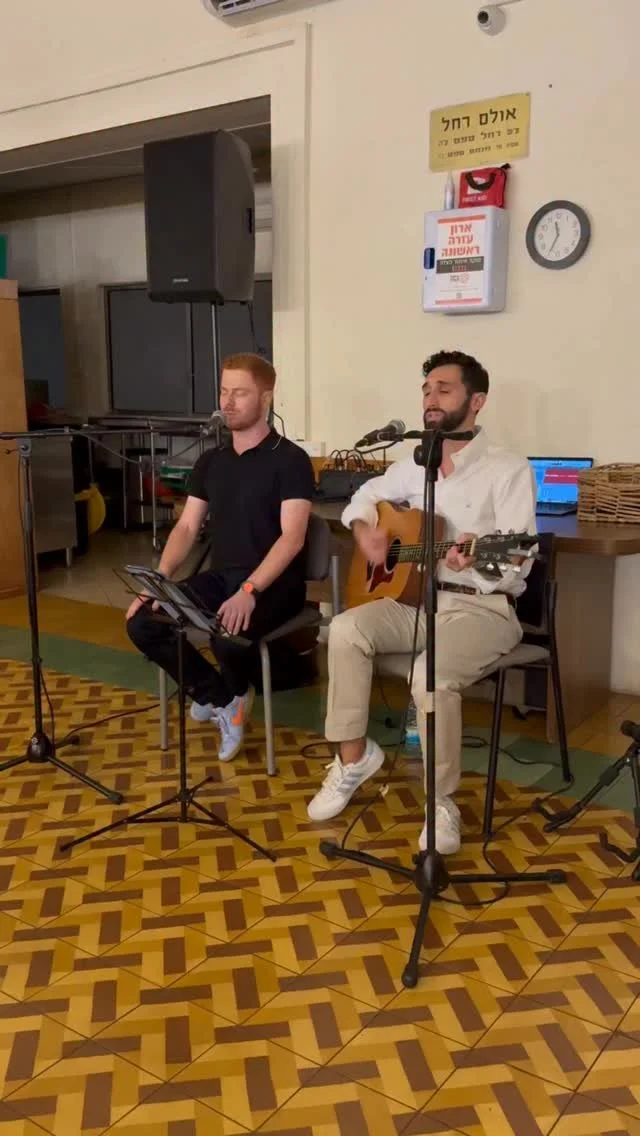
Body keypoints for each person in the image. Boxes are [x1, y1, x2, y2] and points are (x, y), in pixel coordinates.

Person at [307, 350, 537, 855]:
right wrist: (366, 531)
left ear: (476, 401)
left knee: (427, 676)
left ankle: (440, 802)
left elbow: (518, 559)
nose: (431, 399)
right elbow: (362, 497)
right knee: (343, 629)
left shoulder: (507, 468)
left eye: (444, 390)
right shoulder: (413, 467)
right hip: (414, 604)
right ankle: (352, 760)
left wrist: (473, 561)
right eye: (427, 389)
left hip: (481, 608)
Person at [127, 353, 315, 761]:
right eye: (224, 391)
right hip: (221, 577)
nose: (227, 402)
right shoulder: (211, 460)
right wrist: (158, 581)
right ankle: (222, 698)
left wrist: (249, 589)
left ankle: (223, 693)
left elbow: (293, 539)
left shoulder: (290, 460)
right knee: (144, 621)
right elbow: (186, 528)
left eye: (240, 393)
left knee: (226, 634)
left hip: (274, 585)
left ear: (266, 398)